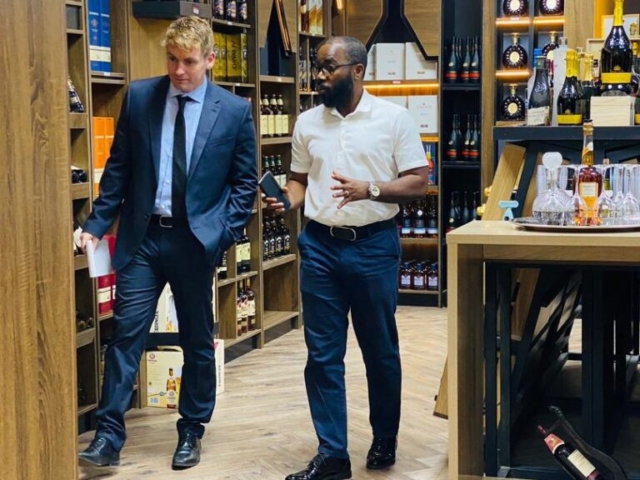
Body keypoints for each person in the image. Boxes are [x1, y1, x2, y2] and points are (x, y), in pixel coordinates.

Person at [78, 16, 257, 470]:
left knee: (195, 338)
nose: (179, 71)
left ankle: (191, 430)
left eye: (189, 62)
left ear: (210, 59)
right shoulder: (140, 97)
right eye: (172, 60)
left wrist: (222, 233)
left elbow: (244, 183)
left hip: (194, 242)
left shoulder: (233, 111)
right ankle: (108, 437)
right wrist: (97, 224)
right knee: (125, 335)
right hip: (142, 238)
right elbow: (118, 168)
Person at [265, 37, 429, 480]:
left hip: (373, 245)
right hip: (319, 246)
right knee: (321, 354)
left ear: (357, 70)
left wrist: (370, 188)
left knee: (380, 350)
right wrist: (287, 200)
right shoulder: (306, 123)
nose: (319, 76)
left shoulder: (394, 119)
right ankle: (333, 454)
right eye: (317, 67)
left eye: (328, 68)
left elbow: (418, 181)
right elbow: (300, 181)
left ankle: (385, 436)